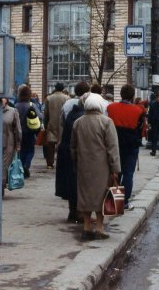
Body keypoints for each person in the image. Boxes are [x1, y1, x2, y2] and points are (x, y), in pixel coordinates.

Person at [70, 93, 121, 241]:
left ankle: (86, 227)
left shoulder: (78, 122)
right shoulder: (106, 122)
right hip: (102, 166)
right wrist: (115, 168)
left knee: (85, 195)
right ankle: (99, 227)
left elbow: (73, 147)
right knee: (102, 197)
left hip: (83, 165)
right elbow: (112, 147)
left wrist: (76, 162)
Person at [107, 84, 146, 211]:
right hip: (131, 145)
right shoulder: (138, 111)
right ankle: (124, 202)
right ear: (132, 96)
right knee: (128, 174)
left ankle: (114, 203)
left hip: (114, 144)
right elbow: (141, 130)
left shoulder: (111, 108)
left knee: (116, 173)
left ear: (121, 94)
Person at [56, 82, 90, 223]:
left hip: (66, 144)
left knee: (69, 179)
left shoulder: (68, 104)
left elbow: (62, 122)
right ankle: (81, 212)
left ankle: (72, 210)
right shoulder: (87, 104)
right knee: (80, 180)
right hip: (80, 147)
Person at [15, 85, 39, 178]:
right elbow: (40, 116)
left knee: (21, 150)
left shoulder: (16, 106)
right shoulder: (31, 105)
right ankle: (26, 164)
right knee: (30, 150)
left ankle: (21, 166)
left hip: (19, 132)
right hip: (30, 132)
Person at [43, 82, 69, 169]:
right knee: (62, 144)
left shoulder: (49, 98)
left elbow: (45, 113)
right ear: (62, 88)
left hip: (52, 123)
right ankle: (61, 163)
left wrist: (46, 124)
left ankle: (49, 163)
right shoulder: (67, 98)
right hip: (62, 124)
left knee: (50, 145)